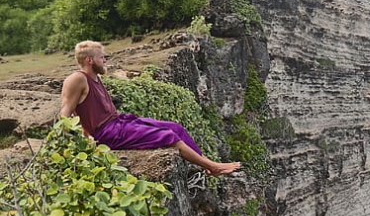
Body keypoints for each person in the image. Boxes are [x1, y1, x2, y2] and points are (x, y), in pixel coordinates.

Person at [59, 40, 241, 176]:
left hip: (118, 122)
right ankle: (212, 166)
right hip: (108, 133)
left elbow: (84, 112)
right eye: (102, 57)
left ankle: (207, 164)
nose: (105, 60)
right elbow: (66, 115)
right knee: (168, 137)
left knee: (175, 127)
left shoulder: (96, 77)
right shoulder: (77, 79)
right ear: (89, 60)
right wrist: (83, 142)